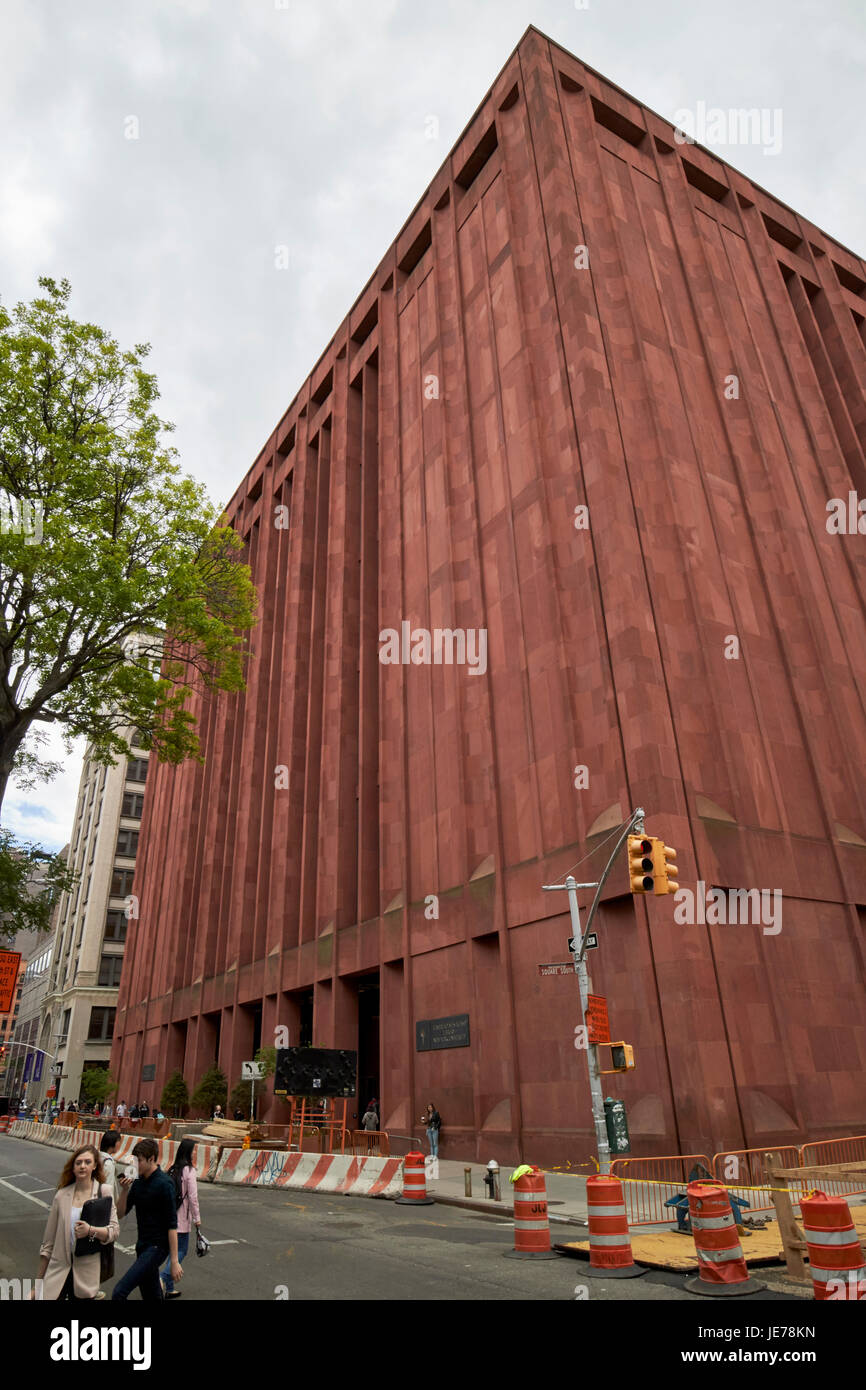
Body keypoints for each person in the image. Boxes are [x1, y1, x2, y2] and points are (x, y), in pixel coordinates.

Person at [32, 1145, 118, 1300]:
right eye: (78, 1163)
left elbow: (114, 1231)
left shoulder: (104, 1192)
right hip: (58, 1272)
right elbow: (48, 1244)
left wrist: (90, 1230)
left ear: (95, 1166)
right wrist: (37, 1286)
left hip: (86, 1277)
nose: (82, 1166)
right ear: (73, 1167)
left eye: (87, 1162)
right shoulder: (61, 1195)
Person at [112, 1137, 183, 1301]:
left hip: (157, 1247)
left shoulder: (165, 1184)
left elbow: (172, 1225)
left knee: (119, 1292)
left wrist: (174, 1261)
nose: (135, 1165)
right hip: (142, 1246)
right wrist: (124, 1190)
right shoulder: (138, 1182)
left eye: (139, 1161)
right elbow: (120, 1213)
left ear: (151, 1159)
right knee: (151, 1295)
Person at [160, 1139, 201, 1299]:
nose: (195, 1152)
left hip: (168, 1216)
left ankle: (169, 1289)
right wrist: (197, 1218)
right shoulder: (189, 1171)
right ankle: (162, 1278)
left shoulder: (172, 1168)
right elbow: (193, 1197)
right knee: (181, 1251)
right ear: (188, 1152)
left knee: (173, 1252)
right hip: (182, 1219)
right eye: (194, 1149)